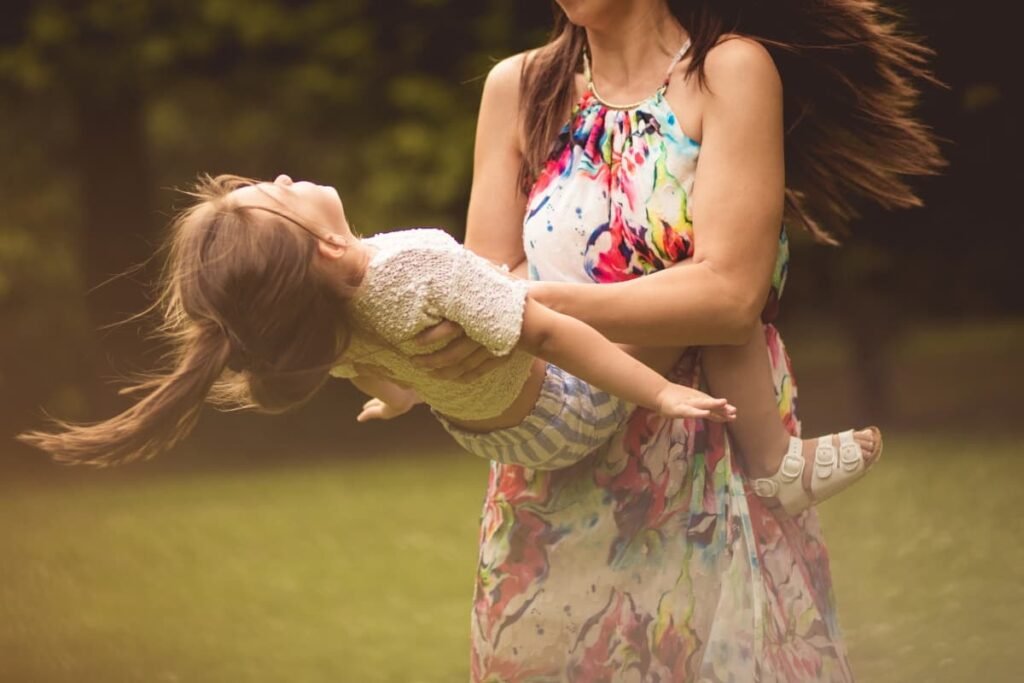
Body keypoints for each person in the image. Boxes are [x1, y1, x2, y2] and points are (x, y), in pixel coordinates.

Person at [395, 0, 941, 679]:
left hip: (708, 455)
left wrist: (538, 306)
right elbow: (483, 285)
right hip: (553, 481)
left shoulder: (727, 72)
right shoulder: (520, 88)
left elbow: (729, 298)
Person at [17, 173, 734, 466]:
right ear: (327, 246)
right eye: (280, 193)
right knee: (680, 285)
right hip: (566, 410)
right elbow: (547, 333)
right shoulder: (415, 266)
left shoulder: (319, 323)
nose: (284, 178)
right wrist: (657, 391)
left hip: (494, 441)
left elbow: (368, 366)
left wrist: (400, 398)